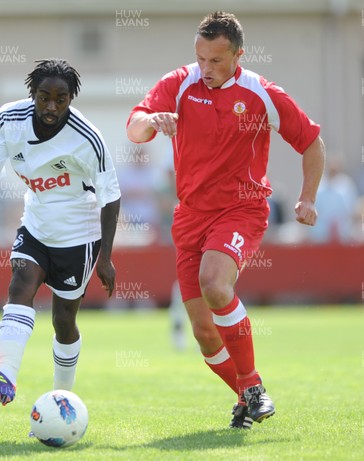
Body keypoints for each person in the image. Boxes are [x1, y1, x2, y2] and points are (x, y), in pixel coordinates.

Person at [127, 11, 325, 429]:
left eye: (217, 61)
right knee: (203, 333)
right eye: (201, 59)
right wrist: (151, 122)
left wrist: (307, 199)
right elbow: (135, 125)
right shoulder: (180, 82)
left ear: (239, 55)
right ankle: (244, 397)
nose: (207, 69)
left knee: (215, 285)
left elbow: (312, 143)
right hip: (190, 216)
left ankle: (252, 385)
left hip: (242, 209)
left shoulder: (262, 94)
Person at [0, 59, 121, 405]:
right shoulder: (7, 121)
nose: (51, 107)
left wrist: (106, 257)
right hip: (37, 223)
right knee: (20, 283)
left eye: (61, 99)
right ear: (33, 94)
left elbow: (111, 198)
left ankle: (62, 399)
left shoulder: (87, 138)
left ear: (72, 99)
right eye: (44, 97)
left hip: (79, 235)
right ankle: (5, 378)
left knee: (63, 321)